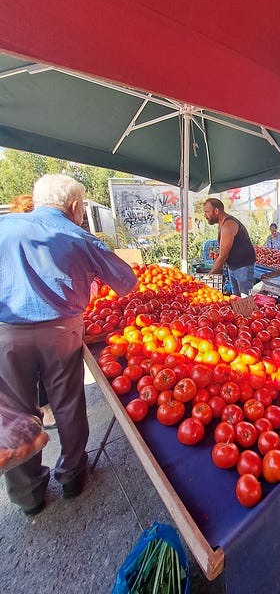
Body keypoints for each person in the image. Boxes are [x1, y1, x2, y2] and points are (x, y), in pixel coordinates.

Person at [0, 174, 138, 516]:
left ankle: (28, 496)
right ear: (76, 207)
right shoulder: (77, 234)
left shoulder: (4, 226)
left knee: (15, 414)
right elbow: (126, 281)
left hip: (7, 333)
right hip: (61, 330)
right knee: (67, 403)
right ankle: (72, 476)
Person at [8, 194, 56, 430]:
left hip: (8, 326)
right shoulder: (49, 237)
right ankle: (71, 464)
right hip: (52, 323)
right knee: (61, 389)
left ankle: (26, 465)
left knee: (17, 401)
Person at [203, 197, 256, 296]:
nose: (205, 215)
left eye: (207, 212)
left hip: (243, 268)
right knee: (236, 299)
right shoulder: (223, 224)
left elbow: (223, 256)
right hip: (234, 267)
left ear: (216, 211)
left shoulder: (228, 225)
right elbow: (227, 250)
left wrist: (209, 277)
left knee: (245, 300)